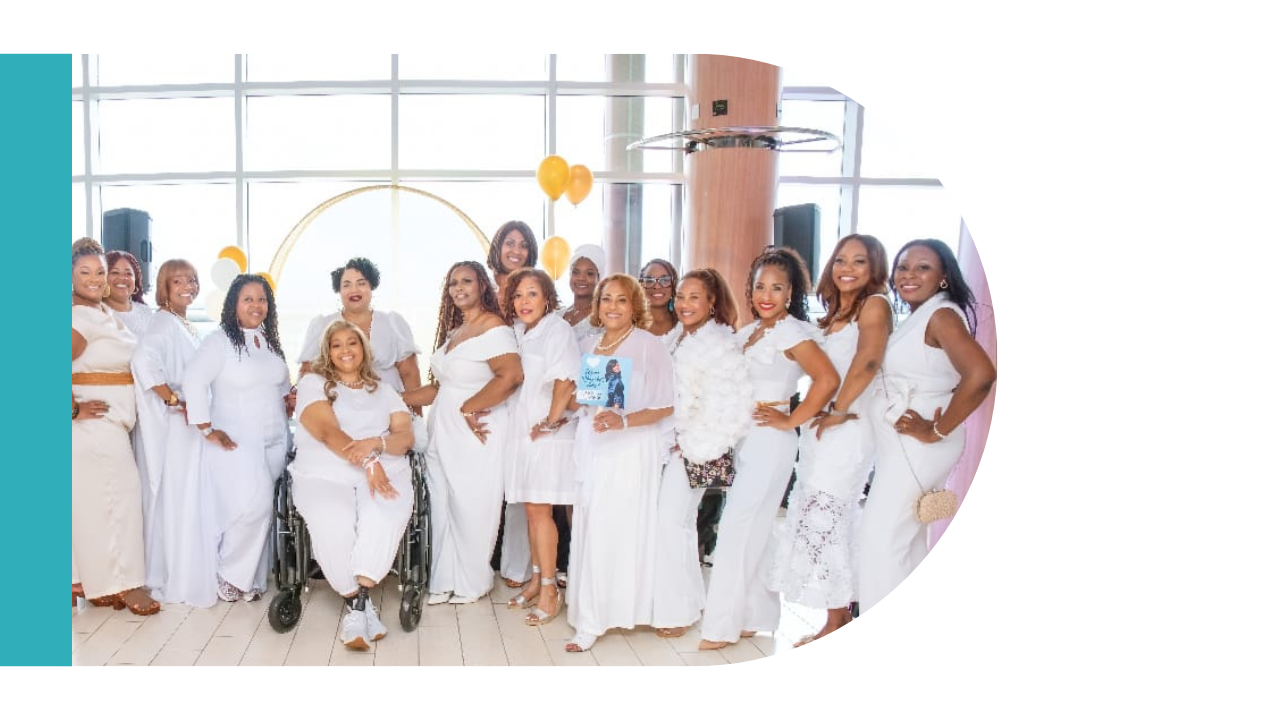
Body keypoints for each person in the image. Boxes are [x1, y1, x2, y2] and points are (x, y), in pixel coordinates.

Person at [698, 246, 840, 651]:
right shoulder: (749, 333)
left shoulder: (792, 332)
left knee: (735, 527)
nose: (767, 295)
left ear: (791, 292)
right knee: (754, 527)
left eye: (777, 288)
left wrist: (790, 419)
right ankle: (754, 614)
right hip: (746, 438)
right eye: (760, 286)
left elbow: (827, 379)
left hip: (771, 441)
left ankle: (720, 626)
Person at [859, 238, 995, 611]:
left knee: (881, 539)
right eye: (903, 267)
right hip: (907, 447)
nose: (909, 275)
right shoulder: (922, 314)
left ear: (943, 276)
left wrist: (935, 430)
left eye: (923, 268)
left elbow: (981, 375)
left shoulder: (942, 315)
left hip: (919, 446)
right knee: (905, 540)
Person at [770, 234, 893, 645]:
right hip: (823, 428)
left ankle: (838, 622)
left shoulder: (875, 304)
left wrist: (838, 408)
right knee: (818, 516)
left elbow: (869, 360)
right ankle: (838, 616)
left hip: (848, 426)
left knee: (829, 517)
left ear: (874, 268)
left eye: (859, 261)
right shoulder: (836, 311)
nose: (847, 268)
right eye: (841, 260)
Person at [563, 274, 675, 652]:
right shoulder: (593, 345)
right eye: (606, 299)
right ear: (597, 306)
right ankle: (590, 610)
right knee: (592, 524)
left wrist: (623, 421)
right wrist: (575, 400)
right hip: (595, 445)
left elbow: (665, 405)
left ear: (634, 305)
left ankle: (602, 616)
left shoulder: (649, 345)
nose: (612, 306)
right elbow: (594, 401)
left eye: (621, 300)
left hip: (631, 449)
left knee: (616, 528)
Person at [291, 320, 417, 650]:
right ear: (327, 352)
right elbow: (326, 432)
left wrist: (376, 444)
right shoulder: (313, 383)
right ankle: (359, 605)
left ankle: (357, 609)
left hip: (384, 467)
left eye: (353, 342)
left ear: (364, 349)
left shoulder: (384, 391)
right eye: (337, 345)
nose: (345, 350)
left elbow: (404, 437)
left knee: (385, 512)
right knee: (333, 521)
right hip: (324, 470)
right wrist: (368, 461)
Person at [403, 261, 523, 605]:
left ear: (482, 285)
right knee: (442, 507)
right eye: (453, 282)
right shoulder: (455, 332)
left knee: (473, 505)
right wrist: (394, 398)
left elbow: (511, 376)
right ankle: (443, 580)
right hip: (442, 430)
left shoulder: (494, 327)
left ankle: (473, 582)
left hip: (477, 429)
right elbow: (441, 388)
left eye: (466, 281)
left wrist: (470, 408)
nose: (458, 288)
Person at [651, 269, 752, 638]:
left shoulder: (719, 345)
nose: (685, 304)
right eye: (681, 296)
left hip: (694, 447)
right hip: (667, 444)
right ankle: (689, 601)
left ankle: (678, 611)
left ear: (712, 302)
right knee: (676, 524)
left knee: (672, 523)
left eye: (695, 297)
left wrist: (693, 442)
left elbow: (731, 406)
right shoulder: (677, 337)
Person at [183, 273, 293, 602]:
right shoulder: (219, 341)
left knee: (263, 506)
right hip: (238, 437)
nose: (256, 305)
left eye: (262, 299)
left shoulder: (268, 341)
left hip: (275, 436)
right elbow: (193, 379)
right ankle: (229, 574)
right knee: (252, 506)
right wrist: (205, 426)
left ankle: (252, 578)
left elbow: (281, 387)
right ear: (234, 304)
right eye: (248, 299)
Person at [71, 237, 159, 615]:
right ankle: (126, 584)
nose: (94, 279)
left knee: (96, 505)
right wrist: (72, 409)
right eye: (85, 273)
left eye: (99, 272)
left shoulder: (101, 312)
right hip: (94, 425)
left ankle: (88, 582)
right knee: (119, 499)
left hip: (112, 423)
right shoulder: (77, 317)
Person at [130, 258, 218, 607]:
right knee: (177, 496)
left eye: (192, 280)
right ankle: (171, 572)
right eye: (178, 281)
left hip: (190, 425)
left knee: (187, 496)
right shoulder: (163, 322)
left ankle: (186, 565)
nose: (187, 286)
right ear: (165, 287)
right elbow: (142, 361)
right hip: (175, 428)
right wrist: (172, 398)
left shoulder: (184, 323)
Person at [501, 268, 580, 625]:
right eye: (518, 295)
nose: (524, 301)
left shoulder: (556, 329)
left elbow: (565, 380)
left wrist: (550, 420)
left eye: (532, 293)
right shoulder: (520, 332)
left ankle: (550, 589)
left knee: (540, 511)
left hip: (547, 437)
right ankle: (536, 580)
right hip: (525, 432)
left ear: (547, 297)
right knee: (532, 512)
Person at [485, 222, 539, 590]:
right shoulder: (484, 291)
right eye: (509, 243)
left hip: (525, 396)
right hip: (488, 394)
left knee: (522, 486)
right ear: (498, 248)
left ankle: (519, 566)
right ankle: (482, 557)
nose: (516, 250)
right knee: (490, 481)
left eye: (523, 244)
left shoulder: (534, 292)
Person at [297, 257, 422, 398]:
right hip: (338, 406)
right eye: (346, 285)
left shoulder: (392, 323)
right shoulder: (322, 325)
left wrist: (415, 410)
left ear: (371, 286)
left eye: (361, 283)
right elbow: (307, 372)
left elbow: (410, 372)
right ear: (339, 290)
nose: (354, 290)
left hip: (390, 405)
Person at [558, 244, 605, 344]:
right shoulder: (557, 315)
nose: (581, 278)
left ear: (599, 279)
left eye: (589, 273)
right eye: (576, 272)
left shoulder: (602, 318)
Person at [103, 249, 155, 338]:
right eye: (115, 272)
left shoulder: (146, 312)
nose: (123, 277)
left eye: (128, 273)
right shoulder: (94, 314)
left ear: (136, 281)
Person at [638, 258, 678, 337]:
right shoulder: (629, 323)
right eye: (650, 281)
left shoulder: (684, 322)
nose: (657, 287)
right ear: (641, 285)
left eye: (664, 280)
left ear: (673, 285)